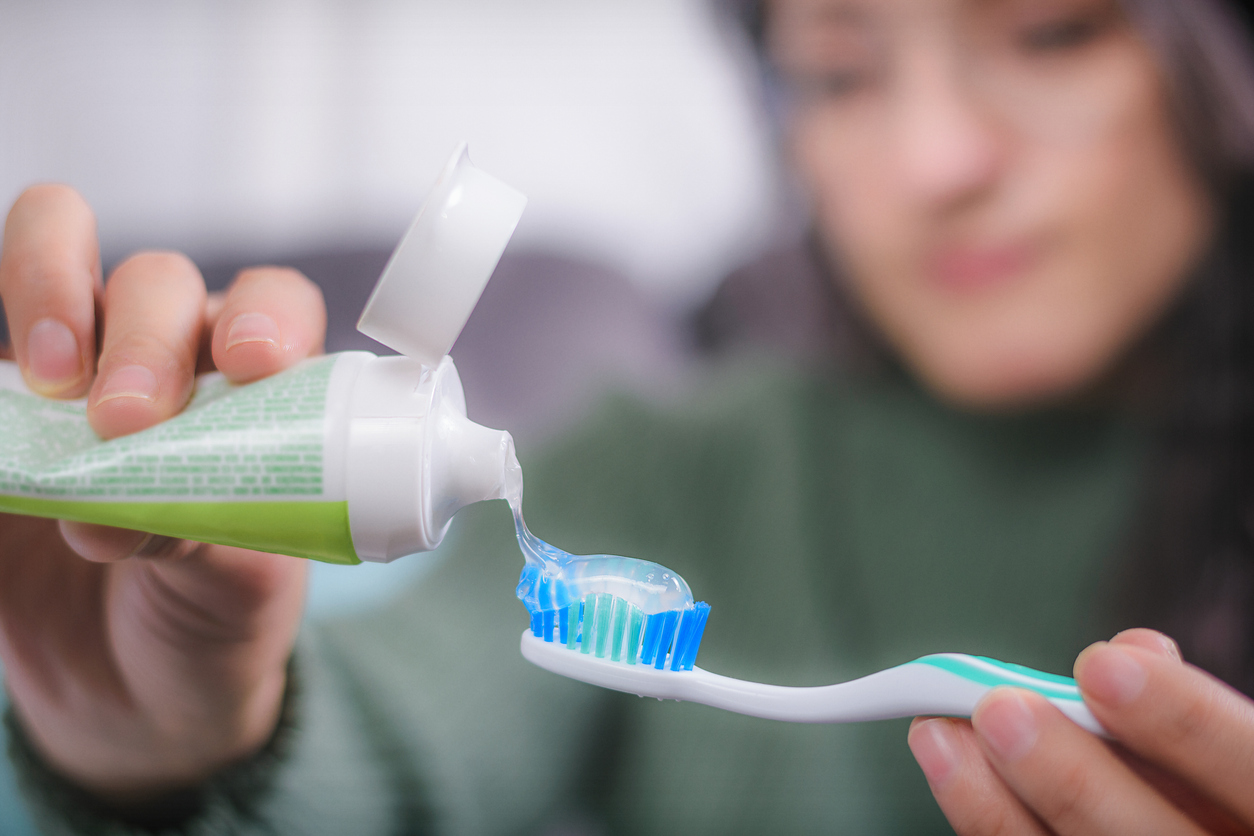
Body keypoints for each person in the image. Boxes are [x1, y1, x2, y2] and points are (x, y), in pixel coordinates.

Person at [4, 0, 1254, 832]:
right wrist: (163, 741)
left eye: (1051, 31)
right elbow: (415, 722)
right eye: (838, 73)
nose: (934, 161)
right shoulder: (662, 468)